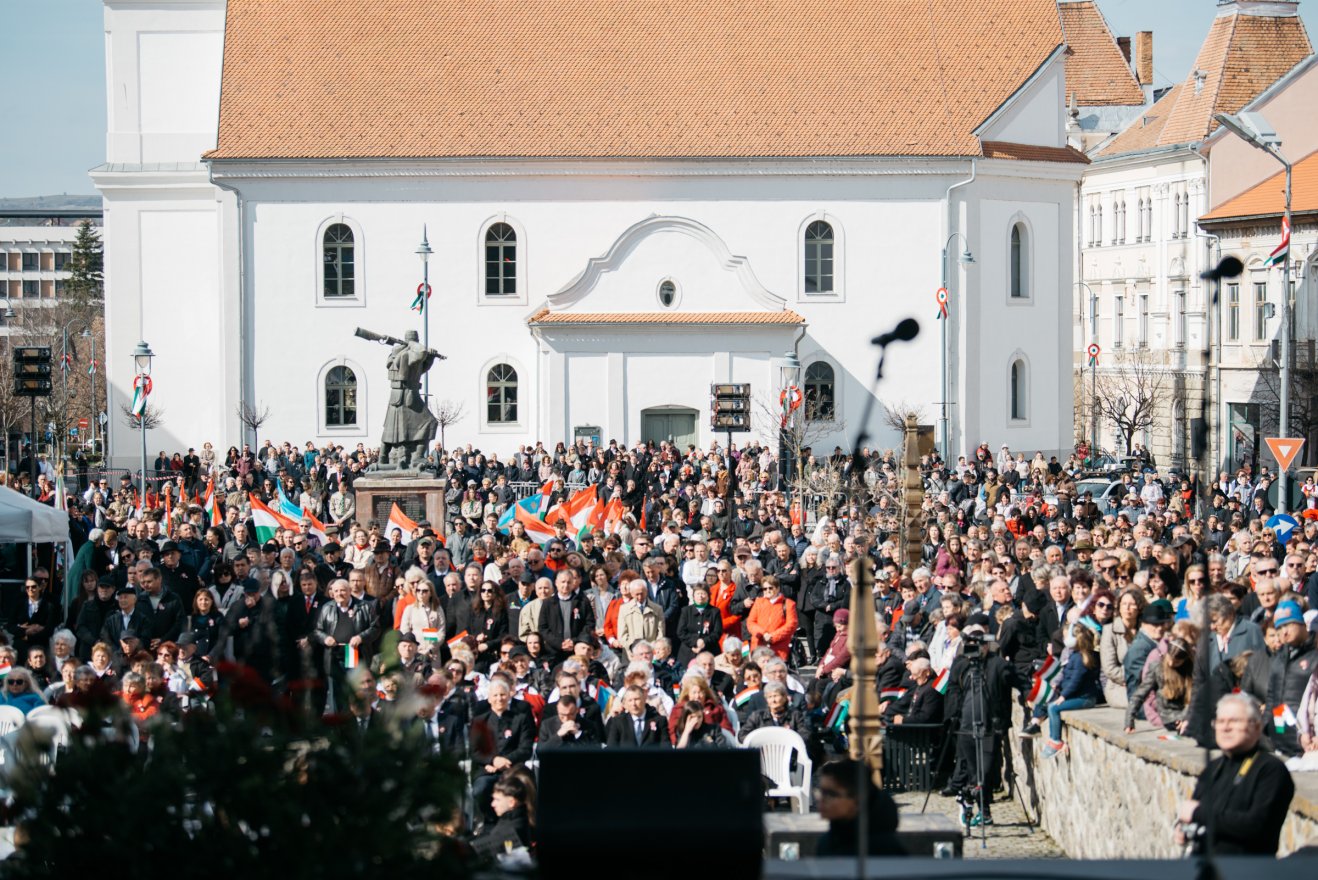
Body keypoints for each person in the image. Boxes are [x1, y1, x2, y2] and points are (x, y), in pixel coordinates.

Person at [1175, 693, 1294, 855]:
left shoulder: (1271, 770)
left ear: (1257, 727)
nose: (1225, 727)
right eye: (1220, 721)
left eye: (1234, 721)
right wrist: (1182, 827)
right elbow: (1193, 812)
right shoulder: (1213, 767)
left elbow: (1255, 825)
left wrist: (1198, 814)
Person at [813, 758, 904, 856]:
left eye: (830, 794)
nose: (821, 799)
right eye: (821, 791)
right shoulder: (828, 841)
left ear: (857, 799)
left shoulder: (884, 850)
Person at [473, 770, 535, 858]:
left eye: (497, 800)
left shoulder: (515, 828)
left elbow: (483, 847)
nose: (492, 804)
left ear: (511, 802)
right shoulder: (508, 820)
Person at [604, 684, 671, 747]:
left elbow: (666, 747)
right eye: (630, 700)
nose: (634, 704)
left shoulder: (659, 721)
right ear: (625, 703)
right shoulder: (618, 722)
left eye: (636, 699)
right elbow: (611, 747)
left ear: (644, 699)